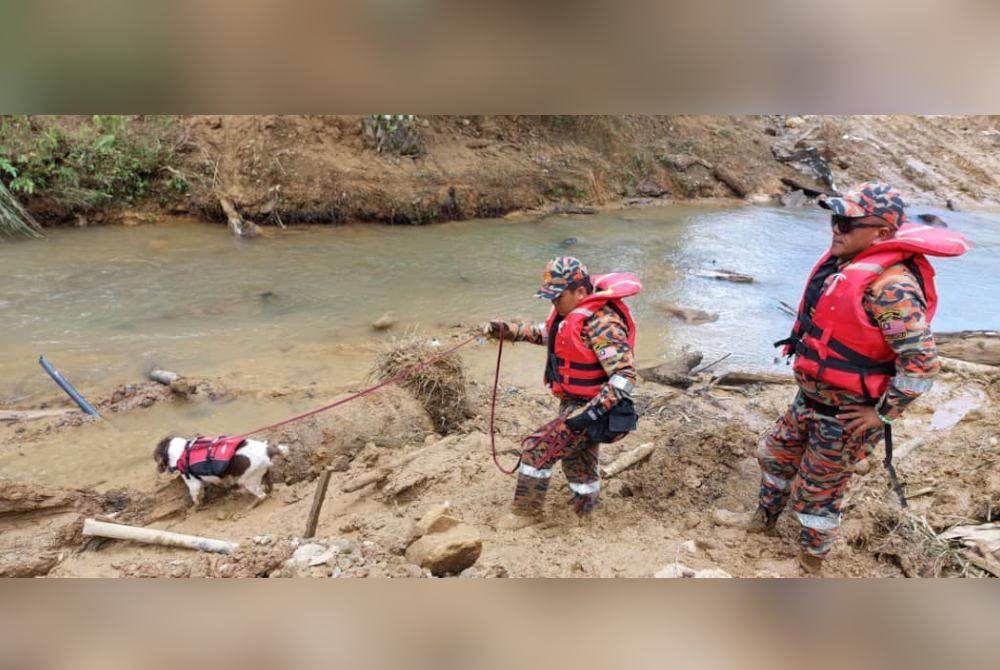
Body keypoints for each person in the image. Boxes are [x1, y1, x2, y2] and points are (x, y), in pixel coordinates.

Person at [754, 182, 969, 574]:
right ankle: (762, 522)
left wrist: (882, 414)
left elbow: (921, 363)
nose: (836, 229)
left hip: (848, 414)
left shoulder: (892, 289)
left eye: (848, 223)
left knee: (818, 496)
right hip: (812, 398)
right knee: (775, 455)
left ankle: (809, 564)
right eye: (835, 220)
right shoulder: (844, 264)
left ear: (883, 234)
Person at [484, 257, 641, 530]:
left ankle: (525, 513)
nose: (553, 303)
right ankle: (587, 509)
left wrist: (587, 414)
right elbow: (548, 334)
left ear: (580, 292)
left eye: (557, 297)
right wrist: (510, 331)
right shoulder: (570, 317)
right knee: (578, 460)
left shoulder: (603, 324)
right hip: (573, 404)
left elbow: (625, 377)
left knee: (536, 449)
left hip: (594, 408)